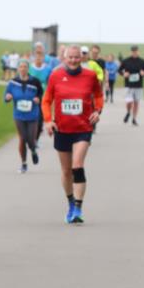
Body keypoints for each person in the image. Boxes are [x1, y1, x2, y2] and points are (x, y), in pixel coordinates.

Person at [41, 45, 104, 224]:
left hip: (83, 128)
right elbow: (46, 100)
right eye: (71, 57)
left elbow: (98, 96)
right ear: (65, 58)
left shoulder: (90, 76)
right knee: (66, 171)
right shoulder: (55, 76)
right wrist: (48, 120)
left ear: (81, 58)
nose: (74, 60)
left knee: (77, 165)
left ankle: (78, 207)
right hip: (62, 128)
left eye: (77, 57)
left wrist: (98, 111)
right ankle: (70, 202)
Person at [4, 59, 43, 173]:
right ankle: (24, 163)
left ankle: (33, 151)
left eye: (25, 67)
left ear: (28, 68)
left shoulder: (35, 81)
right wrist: (8, 98)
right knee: (22, 138)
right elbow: (6, 96)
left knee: (31, 139)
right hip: (19, 115)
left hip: (33, 115)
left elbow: (41, 93)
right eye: (20, 67)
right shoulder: (13, 82)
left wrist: (38, 99)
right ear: (18, 69)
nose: (23, 69)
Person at [119, 45, 144, 125]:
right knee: (129, 101)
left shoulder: (142, 61)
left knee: (136, 102)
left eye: (136, 51)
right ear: (131, 52)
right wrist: (124, 73)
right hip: (128, 85)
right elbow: (119, 70)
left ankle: (134, 118)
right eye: (133, 51)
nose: (134, 52)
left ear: (138, 51)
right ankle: (128, 112)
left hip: (138, 85)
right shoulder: (126, 61)